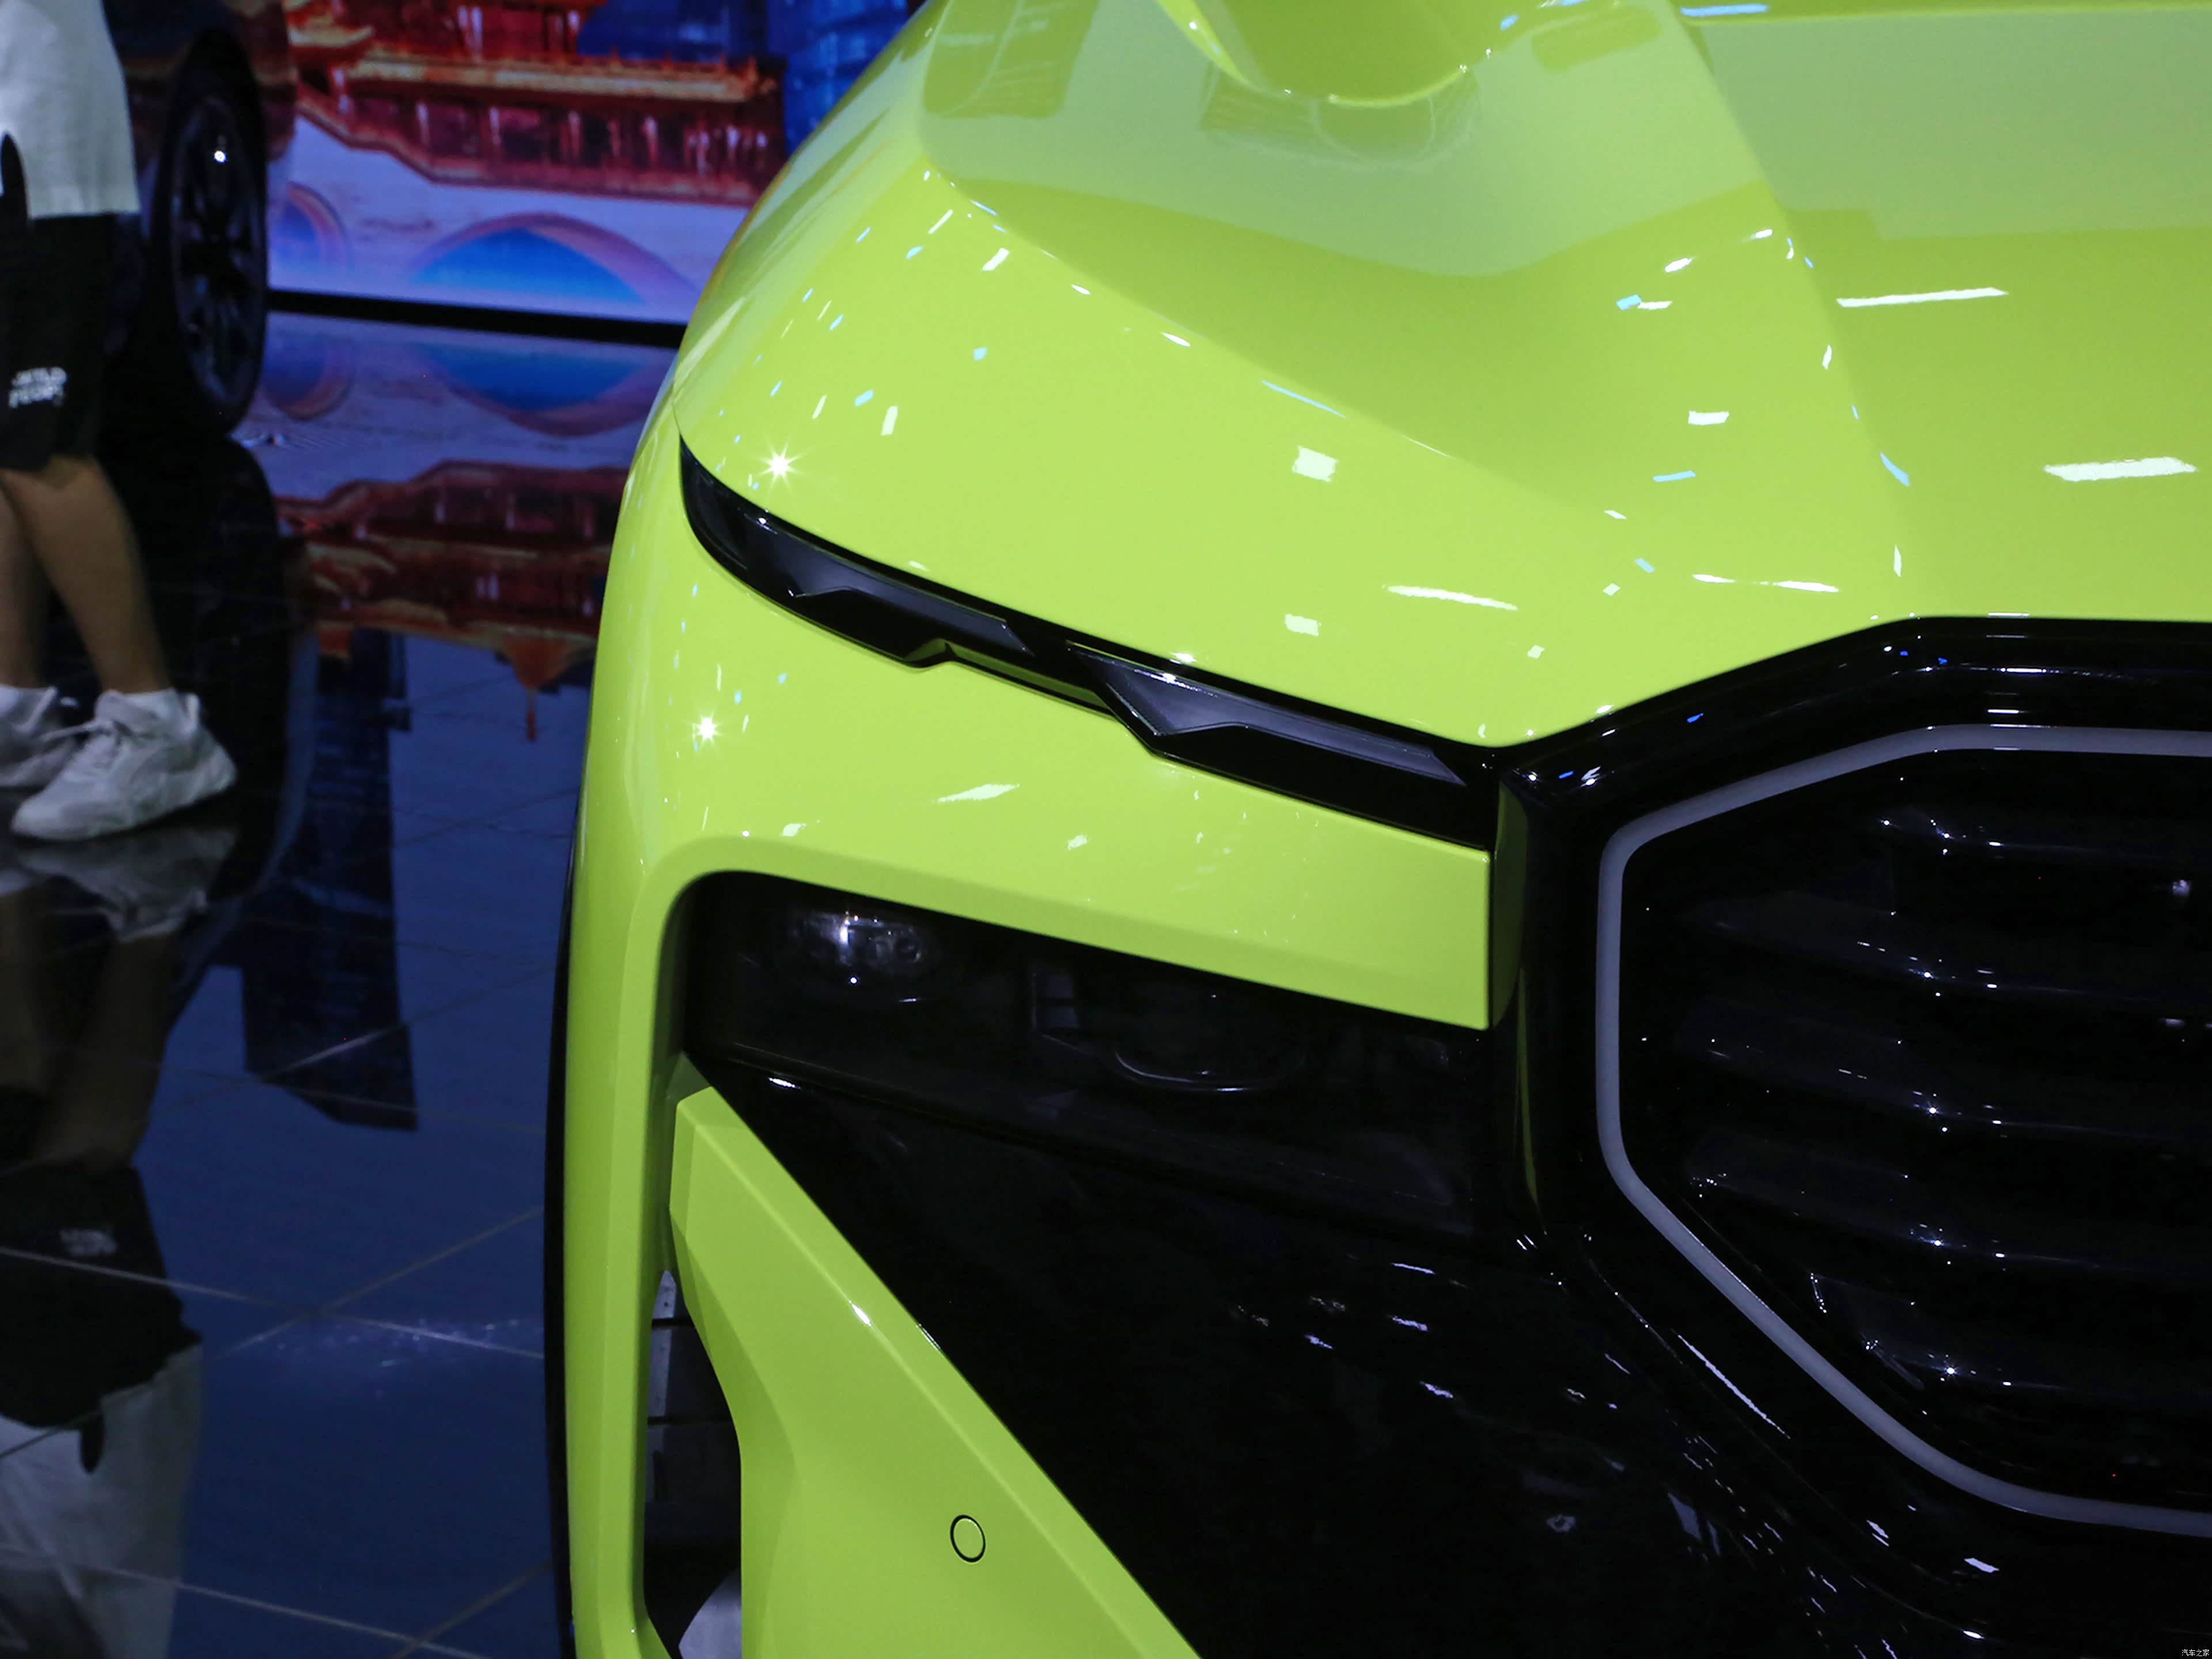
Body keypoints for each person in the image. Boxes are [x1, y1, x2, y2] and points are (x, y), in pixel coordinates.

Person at [0, 0, 235, 840]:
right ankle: (16, 711)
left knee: (39, 446)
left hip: (37, 154)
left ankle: (155, 725)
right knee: (9, 444)